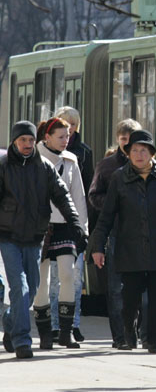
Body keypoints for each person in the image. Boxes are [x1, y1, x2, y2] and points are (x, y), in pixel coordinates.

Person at [90, 129, 156, 354]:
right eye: (134, 150)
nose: (139, 155)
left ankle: (155, 340)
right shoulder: (119, 177)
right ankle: (128, 335)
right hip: (128, 247)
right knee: (130, 298)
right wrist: (98, 247)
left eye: (144, 150)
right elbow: (107, 216)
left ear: (152, 153)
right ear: (128, 153)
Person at [0, 121, 86, 359]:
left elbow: (63, 196)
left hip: (35, 239)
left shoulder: (44, 166)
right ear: (14, 142)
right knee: (20, 286)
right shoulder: (4, 166)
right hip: (8, 237)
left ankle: (10, 324)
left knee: (31, 288)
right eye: (22, 140)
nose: (27, 145)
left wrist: (76, 224)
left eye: (30, 140)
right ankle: (22, 341)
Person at [33, 117, 89, 349]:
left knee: (68, 275)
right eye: (61, 136)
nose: (66, 141)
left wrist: (82, 228)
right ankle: (47, 332)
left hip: (65, 225)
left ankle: (66, 331)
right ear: (47, 137)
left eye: (68, 136)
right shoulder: (33, 159)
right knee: (42, 281)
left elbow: (79, 197)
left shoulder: (71, 160)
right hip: (40, 227)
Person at [88, 119, 141, 349]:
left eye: (131, 139)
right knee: (115, 287)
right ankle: (120, 337)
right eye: (123, 140)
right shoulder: (107, 165)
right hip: (115, 232)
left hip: (140, 233)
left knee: (138, 287)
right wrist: (112, 205)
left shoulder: (148, 165)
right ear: (118, 140)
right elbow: (93, 194)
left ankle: (134, 332)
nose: (128, 144)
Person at [49, 106, 94, 343]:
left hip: (72, 224)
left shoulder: (82, 154)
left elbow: (84, 193)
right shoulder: (43, 154)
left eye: (74, 125)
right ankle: (54, 324)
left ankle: (72, 324)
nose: (70, 130)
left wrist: (84, 228)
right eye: (65, 125)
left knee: (74, 277)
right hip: (49, 226)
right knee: (54, 278)